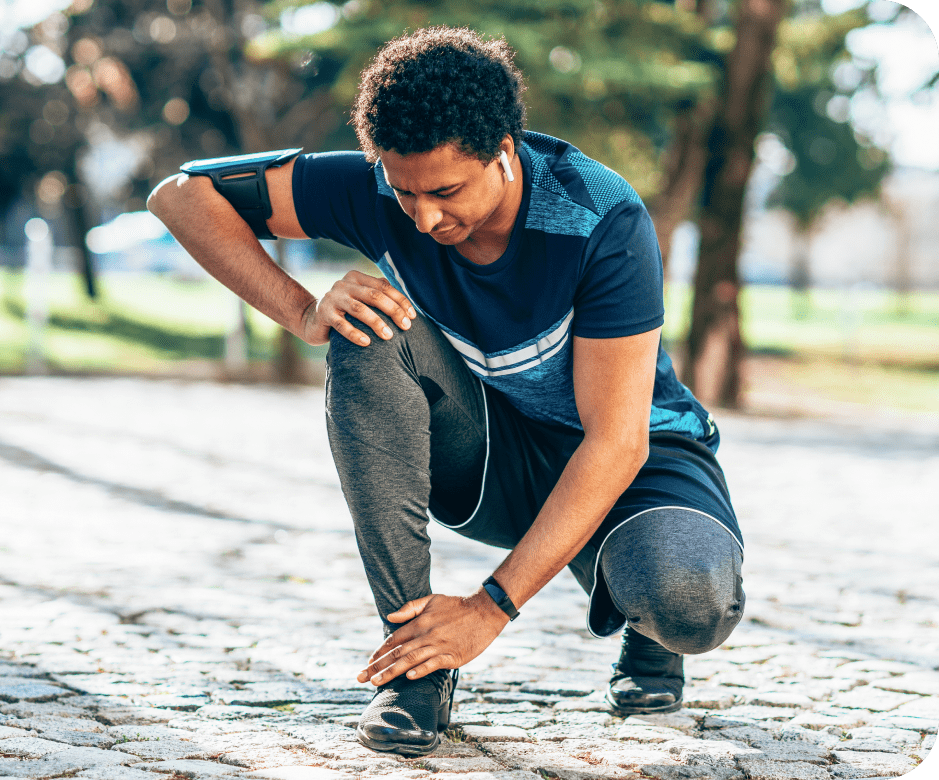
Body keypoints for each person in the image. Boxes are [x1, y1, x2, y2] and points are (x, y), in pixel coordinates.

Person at [148, 26, 745, 758]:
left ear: (503, 150)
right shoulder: (377, 188)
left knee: (690, 601)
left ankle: (649, 631)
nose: (425, 217)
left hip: (635, 461)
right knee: (366, 327)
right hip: (493, 459)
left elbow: (616, 440)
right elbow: (181, 196)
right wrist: (303, 311)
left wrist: (490, 608)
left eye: (445, 191)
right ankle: (415, 663)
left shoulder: (600, 217)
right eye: (405, 193)